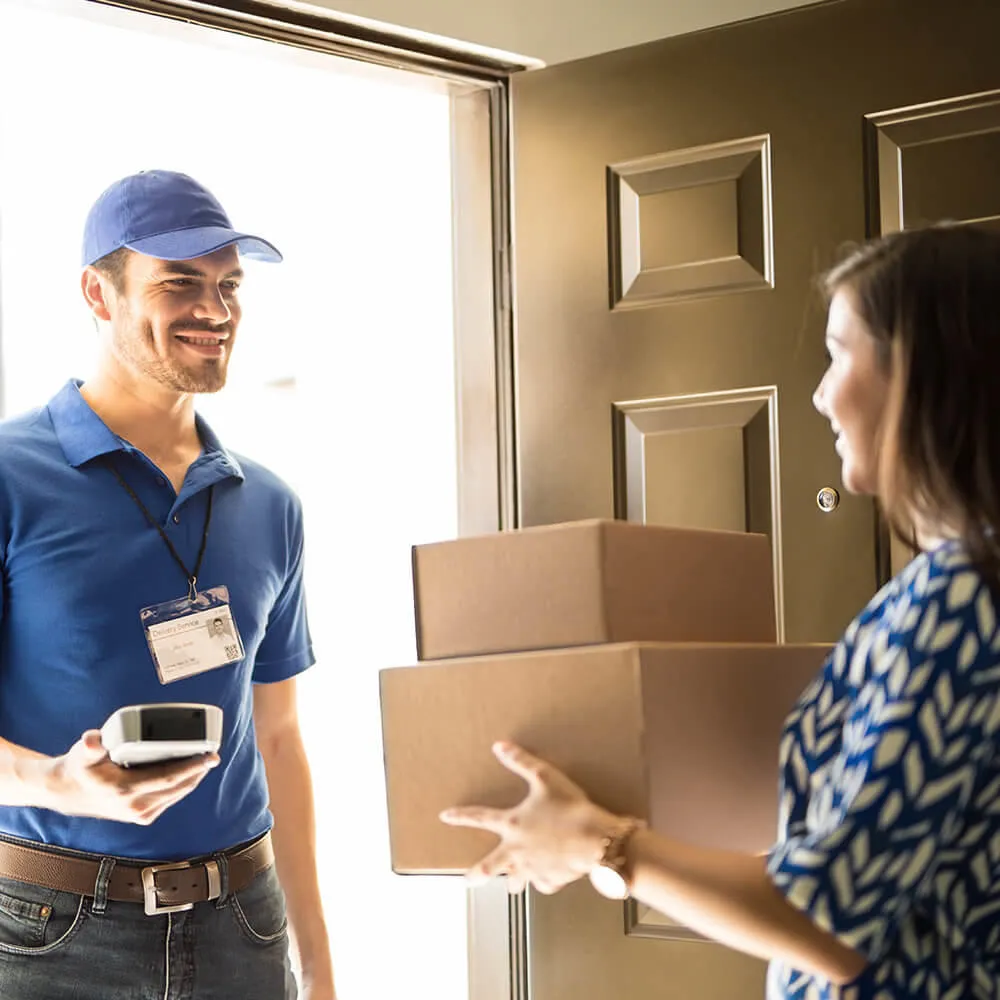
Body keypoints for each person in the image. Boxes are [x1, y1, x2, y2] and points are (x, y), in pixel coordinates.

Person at [441, 223, 1000, 999]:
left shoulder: (958, 596)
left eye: (839, 352)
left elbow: (826, 923)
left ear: (923, 371)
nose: (819, 393)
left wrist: (606, 844)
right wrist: (609, 851)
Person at [0, 170, 335, 999]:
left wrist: (318, 965)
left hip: (244, 928)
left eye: (228, 285)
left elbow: (281, 741)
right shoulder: (10, 479)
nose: (214, 310)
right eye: (179, 282)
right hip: (49, 935)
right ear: (98, 293)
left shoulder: (271, 504)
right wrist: (52, 782)